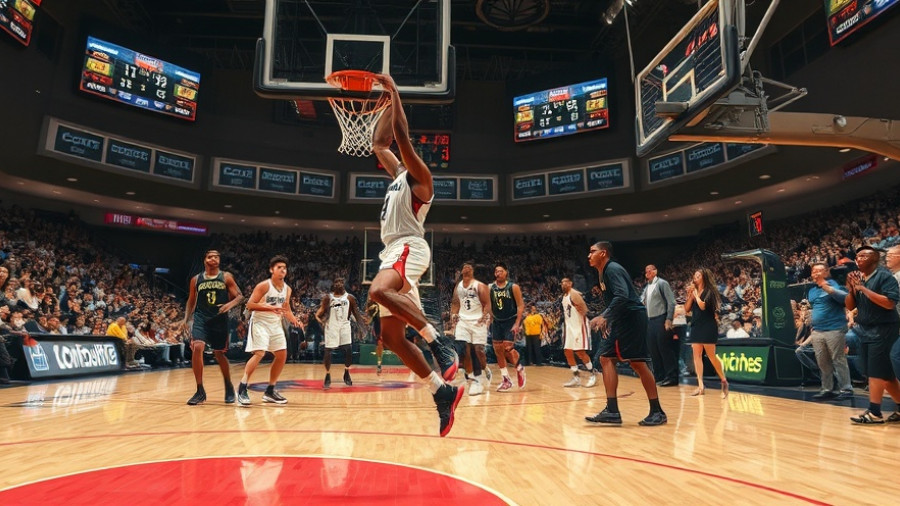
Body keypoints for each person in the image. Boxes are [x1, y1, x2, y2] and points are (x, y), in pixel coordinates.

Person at [368, 73, 462, 437]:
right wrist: (386, 104)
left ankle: (439, 342)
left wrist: (396, 92)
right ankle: (442, 391)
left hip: (409, 245)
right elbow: (380, 143)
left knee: (377, 290)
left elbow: (401, 137)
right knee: (391, 337)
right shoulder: (397, 176)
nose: (400, 155)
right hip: (392, 250)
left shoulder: (421, 177)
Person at [585, 241, 667, 426]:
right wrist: (610, 318)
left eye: (592, 252)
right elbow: (615, 299)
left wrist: (605, 315)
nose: (588, 256)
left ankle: (657, 411)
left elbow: (622, 295)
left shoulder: (612, 269)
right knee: (606, 358)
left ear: (603, 253)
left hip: (632, 318)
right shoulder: (602, 272)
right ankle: (612, 411)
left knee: (638, 364)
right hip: (621, 319)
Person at [180, 249, 244, 406]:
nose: (214, 258)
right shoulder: (196, 279)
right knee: (197, 346)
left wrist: (229, 305)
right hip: (201, 318)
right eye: (210, 256)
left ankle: (229, 386)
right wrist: (186, 318)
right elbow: (191, 300)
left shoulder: (226, 277)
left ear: (219, 261)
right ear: (205, 260)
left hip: (219, 320)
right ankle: (199, 390)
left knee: (219, 354)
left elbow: (240, 296)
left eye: (216, 256)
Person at [845, 246, 900, 424]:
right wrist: (852, 289)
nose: (859, 258)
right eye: (857, 256)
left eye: (864, 255)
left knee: (876, 372)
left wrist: (864, 289)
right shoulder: (860, 279)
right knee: (887, 376)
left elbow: (890, 303)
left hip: (884, 329)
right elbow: (850, 306)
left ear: (875, 259)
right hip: (866, 330)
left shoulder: (884, 276)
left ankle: (875, 412)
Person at [236, 255, 301, 406]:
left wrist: (295, 320)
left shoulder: (287, 289)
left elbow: (286, 310)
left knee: (282, 355)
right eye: (279, 267)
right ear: (272, 270)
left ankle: (270, 391)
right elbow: (250, 305)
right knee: (260, 353)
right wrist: (270, 307)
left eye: (284, 268)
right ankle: (242, 387)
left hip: (275, 325)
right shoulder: (264, 286)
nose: (283, 270)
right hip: (260, 323)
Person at [807, 262, 853, 400]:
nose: (816, 273)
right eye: (814, 271)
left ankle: (846, 389)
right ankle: (827, 388)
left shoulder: (835, 284)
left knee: (838, 359)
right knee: (822, 361)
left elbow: (844, 299)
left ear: (827, 272)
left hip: (834, 329)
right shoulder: (812, 290)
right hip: (817, 331)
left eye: (820, 271)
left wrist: (825, 286)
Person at [315, 277, 368, 389]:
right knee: (328, 351)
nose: (339, 284)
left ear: (344, 285)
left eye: (341, 282)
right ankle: (328, 375)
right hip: (331, 326)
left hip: (345, 325)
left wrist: (362, 328)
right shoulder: (328, 298)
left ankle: (347, 373)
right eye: (337, 282)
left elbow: (357, 314)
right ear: (334, 285)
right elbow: (318, 314)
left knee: (348, 349)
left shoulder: (350, 298)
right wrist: (322, 322)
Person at [685, 268, 728, 398]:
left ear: (704, 277)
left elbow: (703, 306)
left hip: (708, 326)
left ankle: (724, 381)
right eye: (694, 276)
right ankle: (700, 386)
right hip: (696, 325)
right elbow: (686, 309)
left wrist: (696, 295)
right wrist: (690, 296)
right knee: (696, 355)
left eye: (698, 275)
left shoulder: (710, 292)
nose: (695, 278)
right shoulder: (694, 292)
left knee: (711, 356)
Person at [450, 261, 491, 396]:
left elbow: (487, 304)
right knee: (463, 348)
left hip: (478, 321)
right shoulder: (459, 286)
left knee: (478, 350)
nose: (466, 268)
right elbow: (455, 303)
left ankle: (484, 369)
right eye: (464, 267)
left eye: (469, 267)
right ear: (461, 271)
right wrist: (454, 315)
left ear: (473, 271)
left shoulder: (480, 286)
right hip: (463, 321)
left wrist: (484, 316)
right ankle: (475, 379)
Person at [489, 262, 526, 391]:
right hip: (497, 321)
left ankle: (519, 367)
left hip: (510, 320)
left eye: (500, 271)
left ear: (506, 272)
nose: (498, 273)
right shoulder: (490, 288)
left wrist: (517, 323)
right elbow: (488, 305)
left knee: (507, 348)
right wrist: (487, 318)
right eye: (496, 271)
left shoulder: (513, 287)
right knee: (497, 350)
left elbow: (520, 305)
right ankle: (506, 379)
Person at [641, 264, 678, 386]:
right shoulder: (646, 287)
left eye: (650, 270)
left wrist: (668, 319)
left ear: (655, 271)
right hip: (650, 321)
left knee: (664, 348)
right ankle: (659, 376)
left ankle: (672, 376)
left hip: (661, 318)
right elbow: (642, 302)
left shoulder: (662, 283)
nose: (648, 272)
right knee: (653, 349)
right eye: (646, 271)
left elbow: (671, 302)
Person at [560, 278, 597, 388]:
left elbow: (585, 310)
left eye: (565, 282)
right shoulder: (564, 296)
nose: (563, 284)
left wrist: (582, 312)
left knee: (580, 352)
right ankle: (576, 377)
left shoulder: (574, 294)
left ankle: (592, 374)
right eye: (562, 282)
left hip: (579, 326)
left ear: (571, 283)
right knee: (567, 351)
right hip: (570, 327)